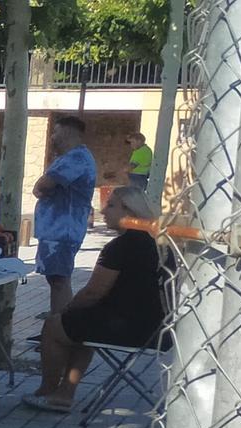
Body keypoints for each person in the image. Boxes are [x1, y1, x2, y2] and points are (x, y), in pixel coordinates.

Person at [24, 186, 164, 412]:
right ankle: (65, 393)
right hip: (155, 328)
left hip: (129, 328)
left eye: (110, 205)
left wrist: (66, 310)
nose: (103, 210)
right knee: (81, 325)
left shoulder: (121, 246)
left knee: (54, 325)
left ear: (128, 211)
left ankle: (48, 390)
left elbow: (93, 293)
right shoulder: (154, 243)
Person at [33, 115, 98, 316]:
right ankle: (57, 320)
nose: (52, 137)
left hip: (62, 229)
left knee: (59, 279)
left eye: (55, 132)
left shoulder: (75, 159)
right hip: (55, 229)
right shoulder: (67, 158)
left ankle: (59, 328)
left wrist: (44, 186)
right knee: (55, 278)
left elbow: (42, 186)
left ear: (67, 133)